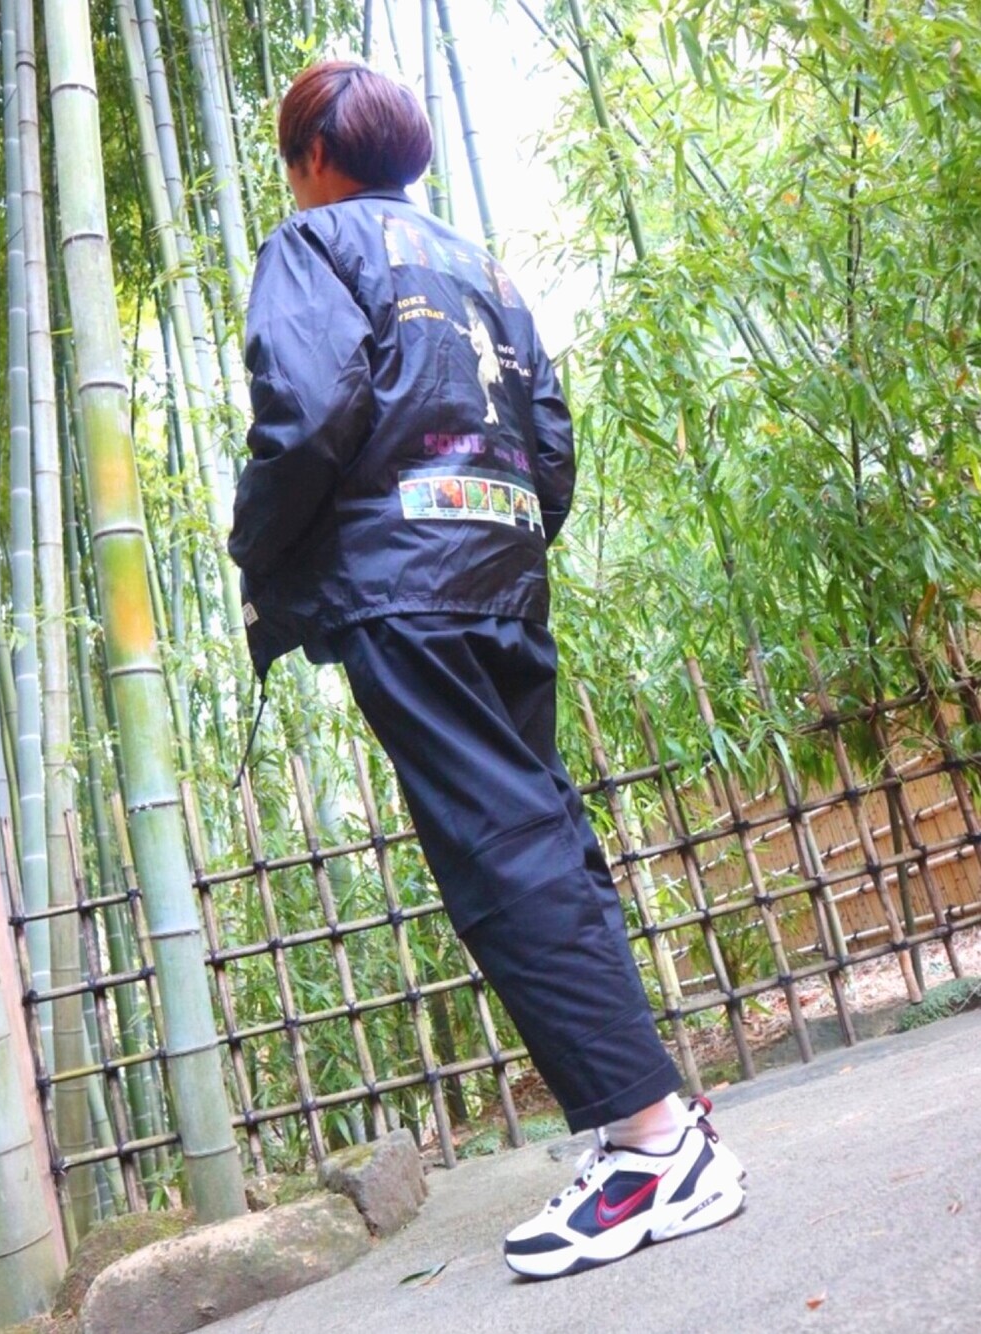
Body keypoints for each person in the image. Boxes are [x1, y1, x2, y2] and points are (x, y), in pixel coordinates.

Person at [229, 60, 745, 1279]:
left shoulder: (313, 246)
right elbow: (549, 438)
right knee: (543, 829)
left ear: (313, 158)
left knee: (498, 848)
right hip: (501, 564)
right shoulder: (481, 266)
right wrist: (503, 534)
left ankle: (651, 1145)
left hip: (403, 584)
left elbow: (307, 413)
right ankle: (657, 1117)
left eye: (292, 160)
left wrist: (256, 546)